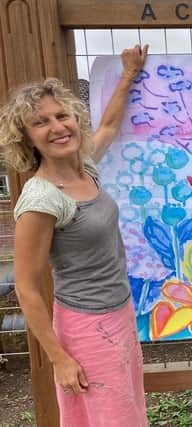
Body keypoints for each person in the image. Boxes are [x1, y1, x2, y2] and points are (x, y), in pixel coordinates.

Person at [0, 44, 149, 426]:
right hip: (85, 327)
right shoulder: (42, 199)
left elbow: (110, 126)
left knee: (125, 410)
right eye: (41, 122)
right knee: (111, 418)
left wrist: (129, 73)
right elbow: (27, 288)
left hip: (119, 312)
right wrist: (60, 358)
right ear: (26, 137)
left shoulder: (84, 168)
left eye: (61, 115)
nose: (57, 127)